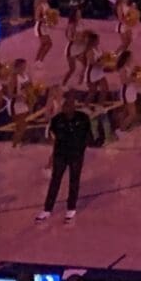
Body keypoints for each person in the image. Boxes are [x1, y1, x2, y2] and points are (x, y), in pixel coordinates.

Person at [39, 92, 90, 222]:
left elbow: (87, 135)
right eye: (66, 105)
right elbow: (53, 137)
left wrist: (80, 149)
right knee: (55, 180)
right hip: (61, 155)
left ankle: (71, 208)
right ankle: (47, 209)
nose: (67, 108)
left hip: (76, 155)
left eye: (70, 105)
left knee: (74, 180)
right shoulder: (57, 120)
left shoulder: (83, 118)